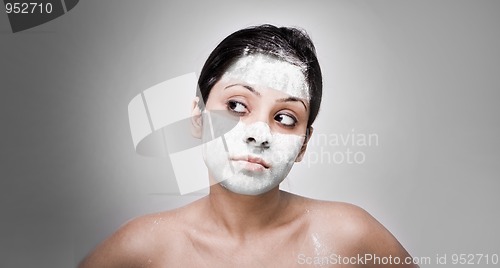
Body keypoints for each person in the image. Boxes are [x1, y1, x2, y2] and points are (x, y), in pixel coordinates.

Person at [79, 24, 418, 267]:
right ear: (197, 119)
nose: (259, 133)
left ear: (303, 145)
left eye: (285, 118)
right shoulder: (143, 247)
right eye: (237, 106)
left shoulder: (348, 237)